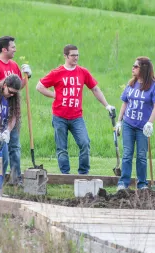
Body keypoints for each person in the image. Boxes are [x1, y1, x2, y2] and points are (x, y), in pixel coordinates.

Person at [36, 44, 115, 175]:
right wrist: (55, 95)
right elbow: (39, 86)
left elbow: (95, 88)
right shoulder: (57, 73)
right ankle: (65, 175)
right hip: (59, 117)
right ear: (66, 56)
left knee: (84, 143)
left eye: (77, 55)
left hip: (77, 117)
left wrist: (107, 105)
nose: (76, 58)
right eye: (73, 55)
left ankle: (83, 173)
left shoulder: (83, 72)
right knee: (62, 148)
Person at [0, 36, 32, 186]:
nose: (15, 49)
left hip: (12, 112)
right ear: (4, 49)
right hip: (0, 115)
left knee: (15, 146)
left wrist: (27, 78)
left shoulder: (14, 65)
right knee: (0, 148)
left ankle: (15, 178)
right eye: (13, 47)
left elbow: (17, 89)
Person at [115, 57, 155, 191]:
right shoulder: (131, 84)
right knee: (127, 154)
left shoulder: (154, 86)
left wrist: (150, 123)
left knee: (142, 156)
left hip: (143, 126)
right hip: (128, 124)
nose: (133, 68)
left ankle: (142, 184)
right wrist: (119, 121)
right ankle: (123, 183)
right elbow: (125, 102)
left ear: (144, 68)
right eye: (133, 66)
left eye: (136, 66)